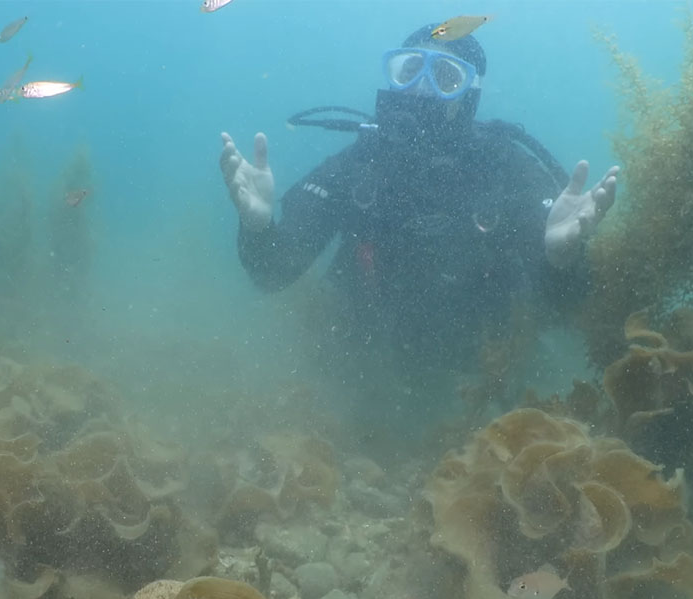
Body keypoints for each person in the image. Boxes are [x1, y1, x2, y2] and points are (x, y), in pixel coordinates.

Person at [218, 24, 619, 432]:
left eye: (446, 77)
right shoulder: (359, 163)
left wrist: (562, 259)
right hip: (367, 378)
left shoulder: (507, 168)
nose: (422, 89)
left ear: (469, 93)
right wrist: (257, 228)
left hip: (487, 384)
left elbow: (566, 305)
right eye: (409, 71)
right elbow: (272, 272)